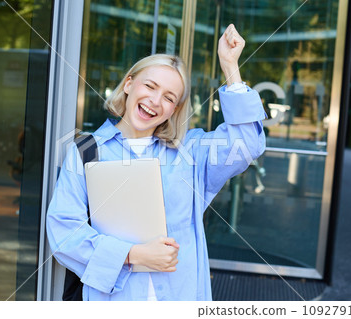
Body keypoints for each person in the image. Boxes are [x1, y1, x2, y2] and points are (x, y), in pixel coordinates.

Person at [46, 24, 266, 301]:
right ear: (129, 84)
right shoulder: (86, 151)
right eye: (150, 86)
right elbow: (64, 231)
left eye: (169, 97)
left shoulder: (191, 151)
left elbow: (247, 144)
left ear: (174, 109)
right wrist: (132, 255)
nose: (155, 101)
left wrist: (230, 66)